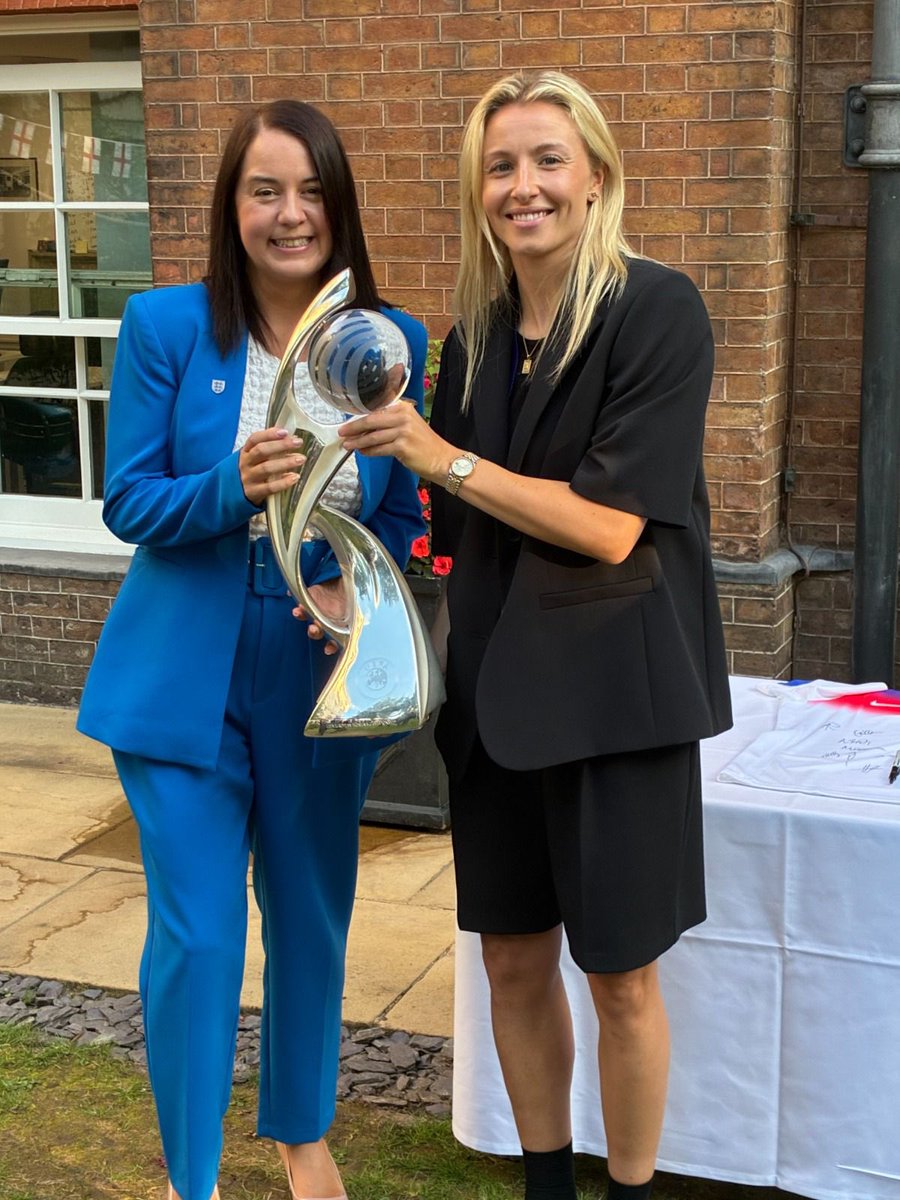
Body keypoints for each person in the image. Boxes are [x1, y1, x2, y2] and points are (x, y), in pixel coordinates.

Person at [336, 71, 732, 1200]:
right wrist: (347, 573)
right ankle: (548, 1185)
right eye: (501, 166)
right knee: (511, 960)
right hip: (496, 708)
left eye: (548, 159)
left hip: (617, 708)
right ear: (480, 190)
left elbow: (609, 527)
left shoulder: (659, 311)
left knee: (620, 981)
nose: (525, 186)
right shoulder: (470, 343)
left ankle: (634, 1189)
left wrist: (438, 456)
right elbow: (450, 530)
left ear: (596, 174)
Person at [77, 100, 427, 1200]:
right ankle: (192, 1177)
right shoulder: (164, 325)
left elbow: (412, 507)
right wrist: (236, 487)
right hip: (182, 667)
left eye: (312, 191)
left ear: (342, 206)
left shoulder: (392, 341)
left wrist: (363, 572)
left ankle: (302, 1134)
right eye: (264, 190)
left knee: (314, 914)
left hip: (320, 663)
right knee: (200, 934)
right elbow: (128, 500)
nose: (290, 214)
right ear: (231, 208)